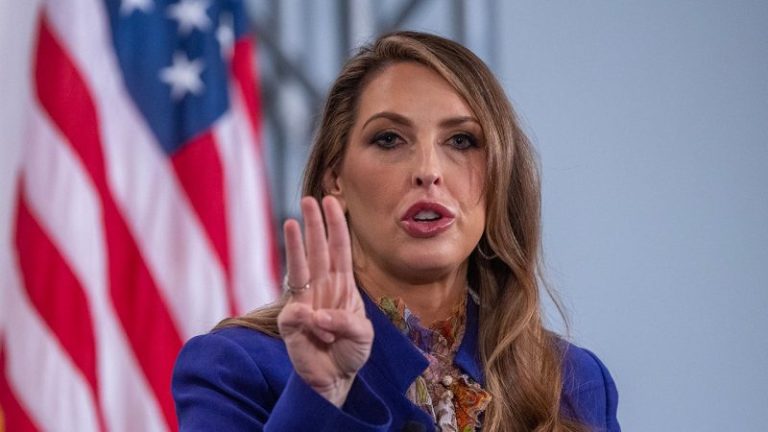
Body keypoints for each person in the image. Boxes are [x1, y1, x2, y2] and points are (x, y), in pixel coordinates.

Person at [172, 31, 620, 432]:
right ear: (335, 179)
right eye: (389, 139)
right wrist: (320, 396)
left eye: (461, 140)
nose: (428, 170)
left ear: (501, 177)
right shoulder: (235, 367)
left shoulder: (574, 382)